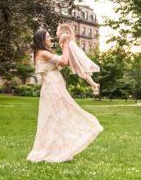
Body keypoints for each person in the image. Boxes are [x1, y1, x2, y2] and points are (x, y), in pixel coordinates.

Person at [26, 27, 102, 163]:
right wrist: (66, 44)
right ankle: (53, 151)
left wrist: (64, 46)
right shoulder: (43, 53)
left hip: (53, 87)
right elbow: (64, 61)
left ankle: (60, 150)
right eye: (48, 36)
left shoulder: (43, 53)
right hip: (52, 89)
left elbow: (62, 62)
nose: (50, 38)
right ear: (41, 40)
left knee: (57, 119)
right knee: (59, 118)